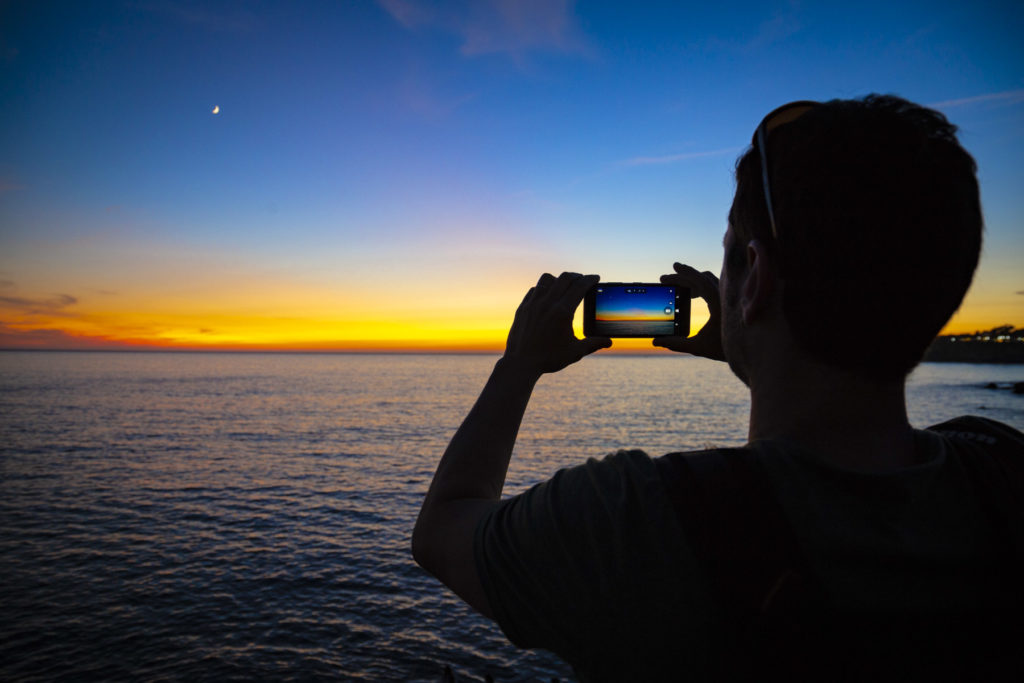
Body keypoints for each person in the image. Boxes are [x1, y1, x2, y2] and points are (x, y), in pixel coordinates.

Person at [411, 94, 1024, 681]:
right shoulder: (1000, 469)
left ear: (753, 277)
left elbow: (442, 532)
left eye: (730, 253)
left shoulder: (635, 519)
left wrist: (518, 365)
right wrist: (745, 340)